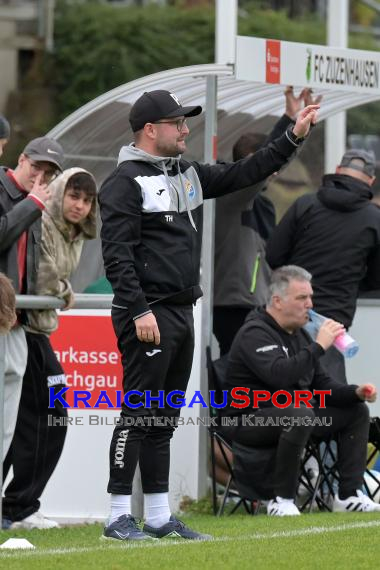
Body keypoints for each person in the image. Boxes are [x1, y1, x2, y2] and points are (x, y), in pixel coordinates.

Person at [98, 88, 319, 541]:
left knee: (164, 419)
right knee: (138, 414)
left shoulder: (187, 173)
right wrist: (139, 310)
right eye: (178, 123)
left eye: (185, 122)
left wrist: (293, 137)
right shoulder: (124, 182)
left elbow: (246, 172)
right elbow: (116, 255)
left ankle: (158, 517)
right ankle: (117, 516)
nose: (185, 130)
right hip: (148, 315)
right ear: (150, 130)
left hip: (181, 311)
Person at [222, 265, 379, 516]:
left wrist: (356, 392)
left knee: (356, 410)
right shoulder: (255, 332)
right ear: (277, 301)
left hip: (295, 414)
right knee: (299, 413)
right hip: (248, 418)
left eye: (310, 297)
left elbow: (322, 385)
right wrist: (319, 346)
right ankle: (281, 500)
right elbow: (279, 375)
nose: (310, 304)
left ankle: (349, 495)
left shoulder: (299, 336)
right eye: (301, 298)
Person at [2, 168, 97, 530]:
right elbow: (42, 276)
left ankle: (17, 506)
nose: (80, 206)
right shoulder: (39, 218)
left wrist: (61, 288)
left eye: (87, 201)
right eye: (74, 196)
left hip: (37, 329)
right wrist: (64, 290)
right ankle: (19, 506)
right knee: (47, 416)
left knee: (23, 421)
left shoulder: (76, 231)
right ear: (58, 194)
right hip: (26, 329)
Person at [214, 86, 322, 355]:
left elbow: (272, 162)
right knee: (239, 367)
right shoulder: (230, 194)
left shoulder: (262, 203)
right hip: (232, 302)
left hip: (257, 301)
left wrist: (290, 121)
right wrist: (292, 129)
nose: (274, 173)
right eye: (263, 164)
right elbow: (268, 163)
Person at [266, 149, 380, 385]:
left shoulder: (306, 204)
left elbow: (274, 254)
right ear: (371, 180)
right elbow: (377, 278)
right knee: (328, 392)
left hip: (289, 311)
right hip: (335, 319)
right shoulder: (374, 218)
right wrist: (351, 285)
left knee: (285, 386)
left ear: (338, 171)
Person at [0, 136, 64, 483]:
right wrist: (34, 203)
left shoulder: (34, 201)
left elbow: (35, 265)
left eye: (50, 172)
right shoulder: (27, 199)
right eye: (37, 166)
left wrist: (59, 288)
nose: (41, 176)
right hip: (1, 322)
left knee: (7, 428)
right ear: (21, 159)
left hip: (18, 324)